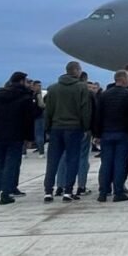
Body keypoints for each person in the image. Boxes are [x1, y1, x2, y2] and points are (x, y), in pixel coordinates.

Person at [43, 62, 92, 203]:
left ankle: (48, 191)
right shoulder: (81, 88)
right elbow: (85, 109)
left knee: (53, 161)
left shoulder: (53, 88)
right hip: (74, 128)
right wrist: (86, 127)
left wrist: (47, 128)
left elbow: (48, 111)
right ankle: (68, 191)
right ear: (76, 71)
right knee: (72, 159)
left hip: (56, 128)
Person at [93, 70, 128, 203]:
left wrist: (97, 134)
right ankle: (118, 192)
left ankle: (103, 192)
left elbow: (98, 116)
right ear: (124, 79)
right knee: (120, 163)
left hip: (106, 133)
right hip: (124, 133)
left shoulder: (104, 95)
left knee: (106, 163)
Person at [0, 72, 35, 205]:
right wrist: (29, 138)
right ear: (21, 81)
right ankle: (5, 194)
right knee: (11, 164)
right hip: (16, 135)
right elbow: (28, 120)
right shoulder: (25, 97)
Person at [30, 81, 46, 158]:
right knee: (39, 134)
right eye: (38, 85)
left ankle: (23, 153)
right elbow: (41, 105)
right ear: (33, 86)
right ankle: (41, 152)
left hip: (31, 116)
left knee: (36, 134)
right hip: (39, 116)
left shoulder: (29, 94)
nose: (40, 87)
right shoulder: (38, 95)